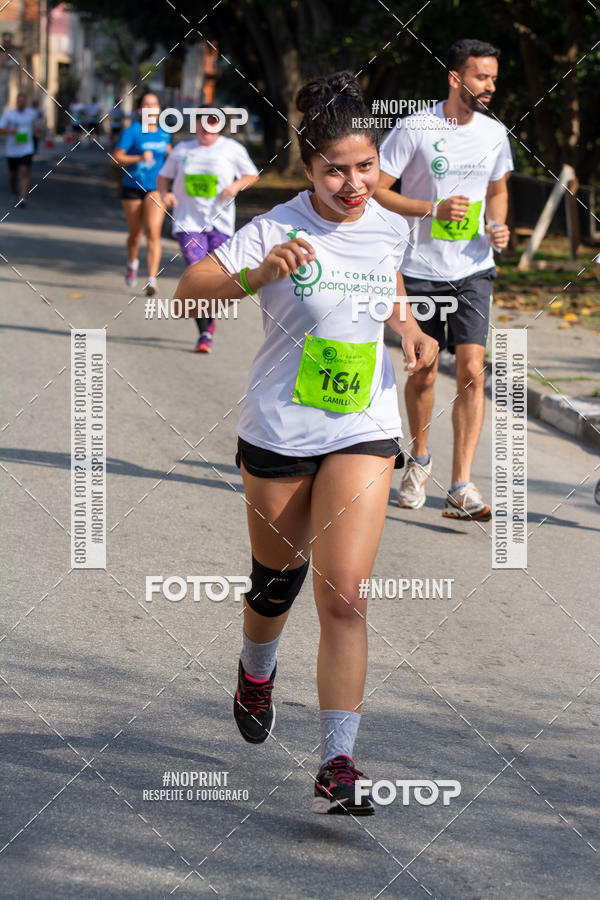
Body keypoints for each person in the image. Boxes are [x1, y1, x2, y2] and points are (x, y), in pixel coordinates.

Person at [175, 72, 438, 815]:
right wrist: (256, 275)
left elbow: (385, 285)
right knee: (276, 580)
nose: (354, 184)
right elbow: (188, 293)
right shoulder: (276, 226)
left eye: (365, 167)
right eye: (335, 170)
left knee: (346, 596)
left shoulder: (389, 221)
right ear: (307, 167)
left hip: (363, 427)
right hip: (281, 429)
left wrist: (410, 330)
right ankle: (256, 668)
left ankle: (338, 763)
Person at [374, 39, 513, 521]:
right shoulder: (415, 128)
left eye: (494, 78)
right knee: (427, 370)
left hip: (473, 267)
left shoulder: (495, 134)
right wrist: (429, 209)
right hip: (418, 269)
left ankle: (461, 486)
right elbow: (377, 190)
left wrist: (498, 226)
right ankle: (420, 458)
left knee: (473, 370)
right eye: (481, 77)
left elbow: (497, 191)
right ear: (455, 78)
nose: (490, 86)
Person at [157, 110, 259, 352]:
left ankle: (208, 318)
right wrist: (166, 194)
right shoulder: (182, 149)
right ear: (196, 125)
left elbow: (251, 175)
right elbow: (163, 177)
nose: (207, 128)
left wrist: (235, 185)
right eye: (202, 123)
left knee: (217, 277)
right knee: (197, 274)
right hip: (188, 222)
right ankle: (205, 332)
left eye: (213, 123)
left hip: (220, 222)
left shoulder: (231, 148)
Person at [113, 92, 171, 295]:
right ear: (140, 109)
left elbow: (171, 156)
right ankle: (131, 263)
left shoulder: (166, 132)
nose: (150, 108)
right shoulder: (133, 131)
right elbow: (116, 158)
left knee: (153, 231)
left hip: (156, 189)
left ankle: (151, 279)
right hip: (132, 188)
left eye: (154, 104)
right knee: (135, 235)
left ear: (159, 109)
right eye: (146, 104)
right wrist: (138, 158)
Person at [0, 92, 40, 207]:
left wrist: (36, 132)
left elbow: (35, 125)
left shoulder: (31, 114)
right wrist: (10, 131)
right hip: (12, 149)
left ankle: (23, 198)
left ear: (26, 102)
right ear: (17, 102)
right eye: (19, 101)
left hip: (26, 148)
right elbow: (0, 129)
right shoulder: (9, 115)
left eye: (23, 101)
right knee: (12, 175)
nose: (21, 103)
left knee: (24, 170)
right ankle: (14, 192)